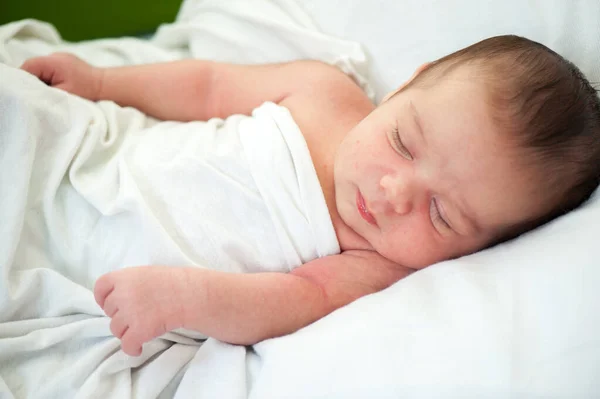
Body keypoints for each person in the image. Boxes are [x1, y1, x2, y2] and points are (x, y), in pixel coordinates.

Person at [20, 35, 600, 357]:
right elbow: (209, 85)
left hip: (107, 270)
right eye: (403, 140)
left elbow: (294, 300)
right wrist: (99, 83)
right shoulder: (325, 93)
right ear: (405, 86)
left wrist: (187, 298)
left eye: (441, 214)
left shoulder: (379, 267)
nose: (393, 192)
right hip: (101, 163)